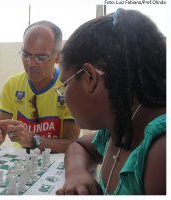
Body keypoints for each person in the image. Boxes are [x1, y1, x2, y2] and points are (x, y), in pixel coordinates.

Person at [55, 9, 165, 195]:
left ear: (90, 78)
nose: (63, 96)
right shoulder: (118, 128)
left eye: (65, 85)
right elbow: (80, 146)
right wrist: (77, 173)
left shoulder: (160, 151)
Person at [0, 21, 80, 153]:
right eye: (26, 55)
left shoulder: (69, 88)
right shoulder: (12, 85)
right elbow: (0, 133)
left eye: (41, 57)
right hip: (22, 164)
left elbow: (71, 144)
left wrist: (32, 139)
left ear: (58, 57)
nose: (31, 63)